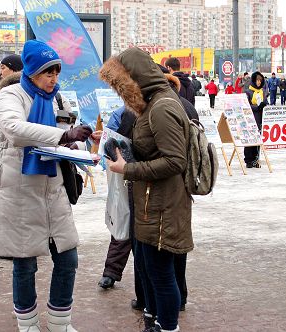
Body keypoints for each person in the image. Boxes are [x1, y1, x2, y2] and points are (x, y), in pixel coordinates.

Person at [0, 40, 93, 332]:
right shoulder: (11, 95)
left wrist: (77, 140)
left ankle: (60, 322)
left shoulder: (58, 99)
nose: (53, 79)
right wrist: (62, 136)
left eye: (57, 73)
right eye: (48, 73)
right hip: (19, 191)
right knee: (25, 263)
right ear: (32, 71)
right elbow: (13, 129)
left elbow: (64, 133)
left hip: (52, 188)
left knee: (68, 257)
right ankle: (28, 323)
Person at [100, 47, 193, 332]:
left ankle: (167, 327)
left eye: (121, 86)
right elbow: (150, 149)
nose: (120, 94)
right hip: (150, 202)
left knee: (162, 275)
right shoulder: (152, 104)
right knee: (149, 270)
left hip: (163, 205)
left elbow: (175, 160)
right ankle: (154, 322)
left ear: (135, 79)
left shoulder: (162, 106)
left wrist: (126, 168)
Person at [97, 106, 146, 312]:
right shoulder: (128, 110)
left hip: (142, 177)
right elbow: (113, 139)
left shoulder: (154, 108)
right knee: (125, 224)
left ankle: (146, 296)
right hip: (133, 175)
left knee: (135, 232)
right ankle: (112, 273)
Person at [0, 54, 24, 149]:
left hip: (10, 150)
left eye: (3, 68)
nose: (0, 72)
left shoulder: (10, 92)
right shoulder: (28, 89)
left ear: (14, 69)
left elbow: (6, 119)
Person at [243, 71, 268, 168]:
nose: (259, 82)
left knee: (257, 140)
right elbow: (246, 105)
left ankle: (256, 159)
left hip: (260, 119)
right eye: (257, 80)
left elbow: (265, 102)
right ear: (253, 80)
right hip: (250, 119)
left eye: (260, 81)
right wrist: (257, 107)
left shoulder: (262, 92)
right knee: (250, 141)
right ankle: (248, 160)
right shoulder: (248, 92)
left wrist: (265, 106)